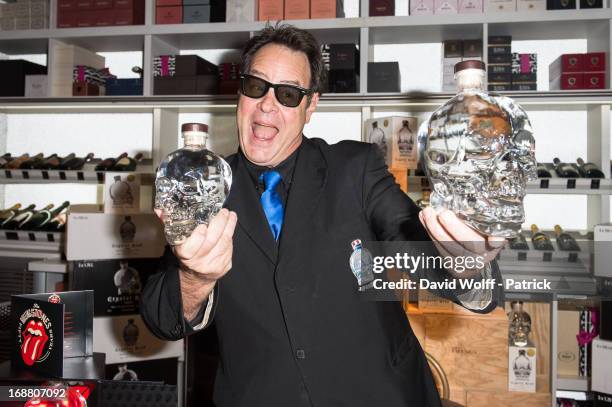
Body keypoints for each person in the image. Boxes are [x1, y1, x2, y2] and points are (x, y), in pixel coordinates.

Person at [141, 23, 505, 407]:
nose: (267, 105)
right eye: (256, 87)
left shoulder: (355, 170)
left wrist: (465, 266)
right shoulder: (204, 186)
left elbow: (417, 251)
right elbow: (162, 318)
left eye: (288, 94)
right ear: (240, 92)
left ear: (311, 105)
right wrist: (194, 277)